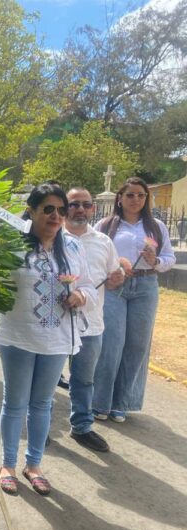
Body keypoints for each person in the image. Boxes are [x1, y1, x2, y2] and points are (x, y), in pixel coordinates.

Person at [0, 183, 96, 496]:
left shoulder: (73, 248)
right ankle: (7, 464)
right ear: (32, 211)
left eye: (61, 210)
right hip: (19, 335)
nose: (56, 216)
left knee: (42, 404)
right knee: (15, 402)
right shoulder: (11, 246)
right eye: (48, 209)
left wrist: (79, 295)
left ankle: (33, 464)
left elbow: (90, 286)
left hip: (58, 338)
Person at [93, 177, 175, 422]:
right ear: (120, 198)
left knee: (137, 345)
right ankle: (101, 402)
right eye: (130, 195)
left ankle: (123, 402)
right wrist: (111, 271)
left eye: (141, 195)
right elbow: (94, 255)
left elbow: (169, 257)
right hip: (115, 286)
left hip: (145, 286)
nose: (135, 200)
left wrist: (155, 261)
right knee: (111, 343)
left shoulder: (156, 226)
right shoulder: (106, 225)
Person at [64, 187, 125, 452]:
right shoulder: (53, 237)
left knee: (84, 379)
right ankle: (38, 427)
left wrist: (117, 278)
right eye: (74, 204)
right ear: (65, 207)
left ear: (93, 209)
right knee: (43, 380)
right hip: (55, 324)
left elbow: (113, 278)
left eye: (86, 205)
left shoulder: (103, 241)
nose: (80, 209)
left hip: (90, 324)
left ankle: (82, 427)